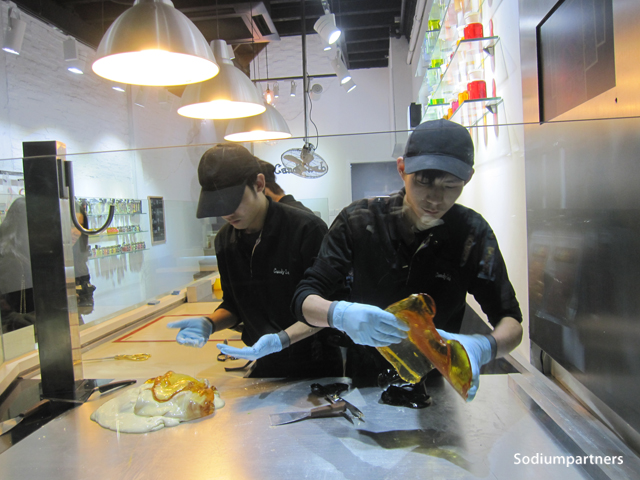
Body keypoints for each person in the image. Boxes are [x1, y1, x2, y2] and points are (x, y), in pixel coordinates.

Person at [292, 119, 523, 401]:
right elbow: (304, 299)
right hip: (364, 386)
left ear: (468, 178)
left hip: (435, 390)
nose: (435, 199)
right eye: (423, 181)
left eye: (451, 185)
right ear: (402, 169)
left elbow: (511, 320)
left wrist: (485, 347)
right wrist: (339, 314)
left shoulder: (471, 233)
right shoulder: (359, 221)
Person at [167, 143, 342, 378]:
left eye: (233, 201)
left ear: (259, 184)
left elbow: (329, 307)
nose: (227, 213)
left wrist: (282, 339)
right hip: (264, 362)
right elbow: (234, 305)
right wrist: (209, 323)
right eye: (217, 205)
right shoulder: (225, 241)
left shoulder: (305, 229)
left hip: (316, 365)